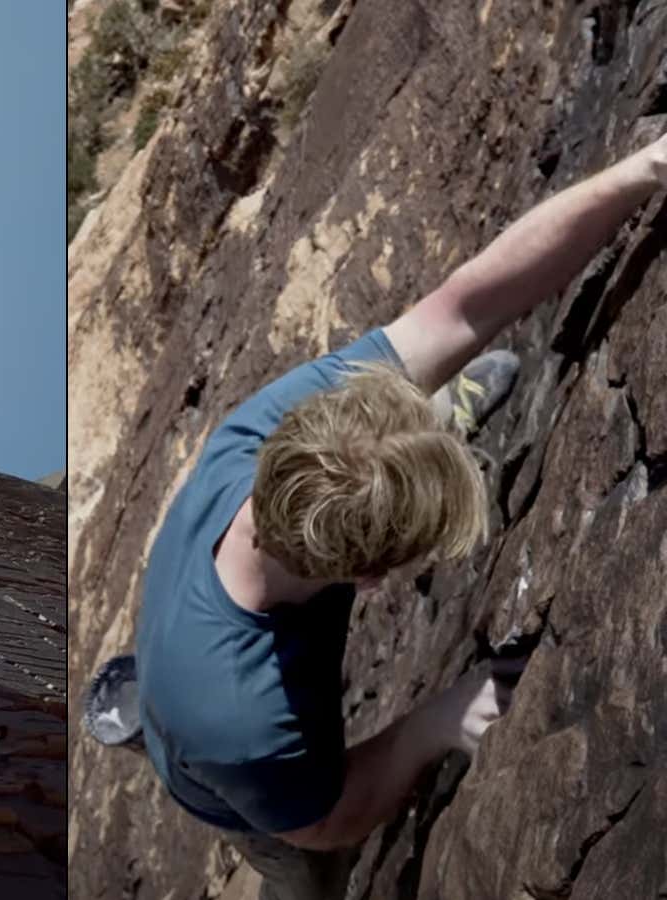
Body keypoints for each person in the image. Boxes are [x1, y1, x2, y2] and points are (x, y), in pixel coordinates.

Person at [134, 133, 667, 898]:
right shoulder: (247, 721)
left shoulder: (271, 430)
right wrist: (434, 725)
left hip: (197, 643)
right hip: (230, 782)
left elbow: (461, 307)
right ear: (370, 577)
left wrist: (643, 169)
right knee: (310, 868)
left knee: (429, 375)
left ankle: (427, 434)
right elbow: (332, 817)